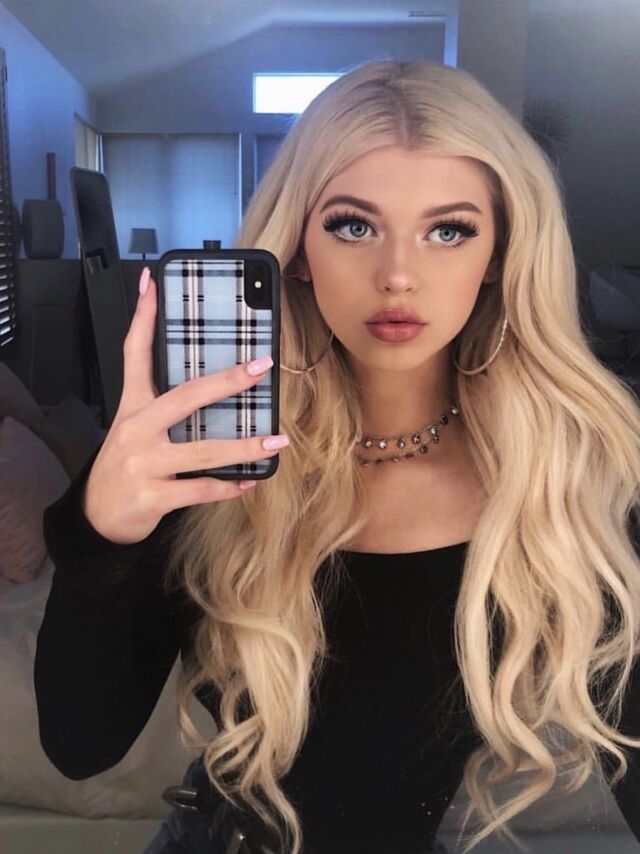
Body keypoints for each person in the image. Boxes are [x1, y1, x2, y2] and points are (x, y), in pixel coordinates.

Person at [34, 59, 640, 854]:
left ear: (499, 252)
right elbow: (80, 746)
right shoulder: (210, 456)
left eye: (448, 230)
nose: (398, 276)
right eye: (354, 225)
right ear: (297, 246)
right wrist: (100, 535)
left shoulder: (567, 481)